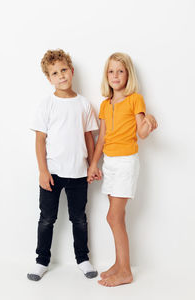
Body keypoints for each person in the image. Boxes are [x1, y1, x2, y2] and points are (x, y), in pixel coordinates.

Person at [87, 52, 158, 287]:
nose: (115, 75)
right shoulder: (105, 104)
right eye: (111, 71)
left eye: (120, 71)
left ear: (128, 75)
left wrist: (150, 123)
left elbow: (142, 133)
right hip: (110, 163)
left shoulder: (134, 99)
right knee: (116, 217)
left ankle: (125, 271)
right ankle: (119, 264)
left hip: (127, 162)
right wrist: (94, 164)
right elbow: (102, 138)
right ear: (106, 76)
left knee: (113, 216)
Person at [27, 49, 98, 281]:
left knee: (79, 218)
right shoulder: (46, 104)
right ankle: (41, 261)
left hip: (78, 172)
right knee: (47, 218)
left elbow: (89, 137)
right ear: (49, 79)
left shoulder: (84, 104)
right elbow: (40, 140)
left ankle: (83, 258)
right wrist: (42, 171)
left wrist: (91, 165)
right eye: (55, 73)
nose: (61, 76)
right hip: (53, 173)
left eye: (64, 70)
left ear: (72, 70)